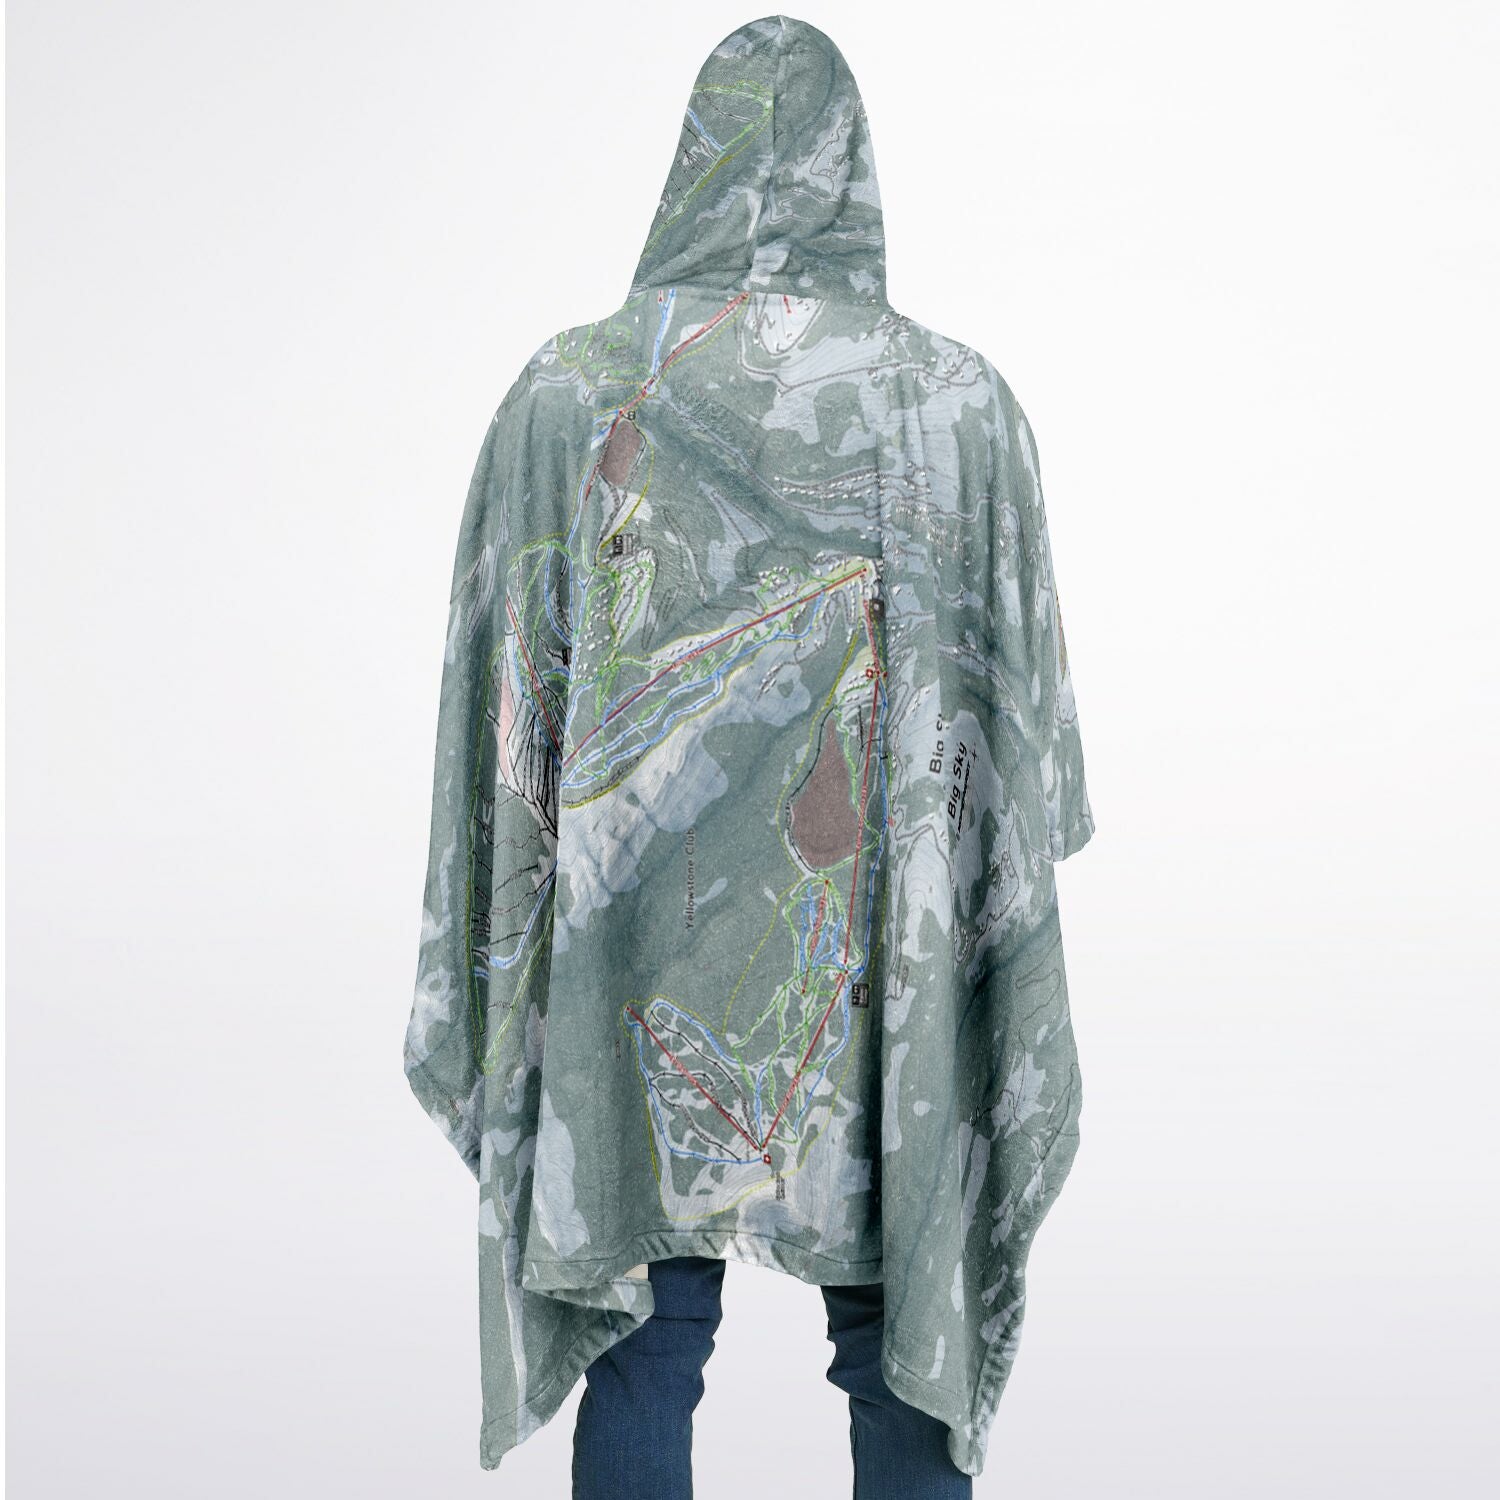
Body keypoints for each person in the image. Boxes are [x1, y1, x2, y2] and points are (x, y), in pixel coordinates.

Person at [405, 14, 1095, 1496]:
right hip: (880, 954)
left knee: (643, 1335)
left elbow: (504, 725)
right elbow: (1019, 741)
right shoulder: (957, 404)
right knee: (899, 1317)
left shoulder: (567, 393)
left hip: (631, 947)